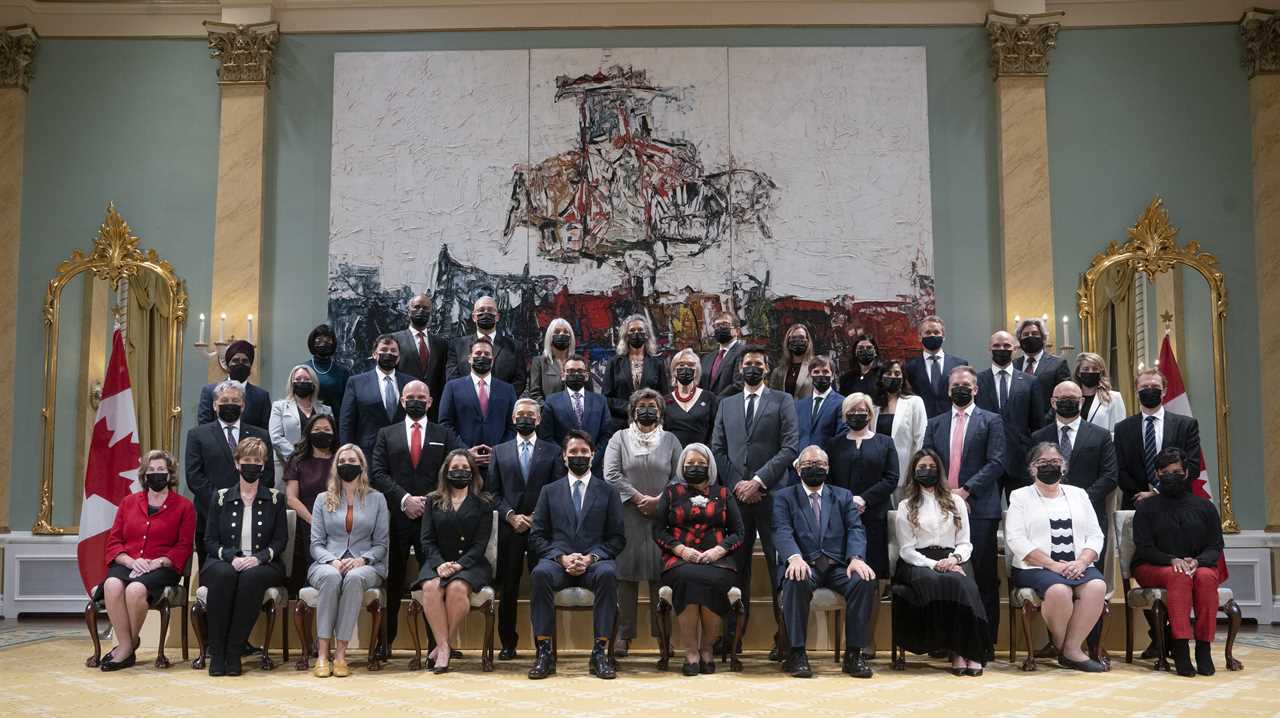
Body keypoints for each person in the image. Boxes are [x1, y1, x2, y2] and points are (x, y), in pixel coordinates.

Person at [710, 348, 799, 656]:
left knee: (780, 568)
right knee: (736, 569)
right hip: (736, 500)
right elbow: (717, 449)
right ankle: (733, 638)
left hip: (773, 496)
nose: (751, 368)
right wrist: (738, 485)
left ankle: (785, 639)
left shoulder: (782, 401)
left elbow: (790, 447)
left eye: (757, 364)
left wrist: (758, 481)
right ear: (739, 369)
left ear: (766, 367)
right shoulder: (726, 404)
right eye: (746, 364)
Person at [369, 380, 465, 656]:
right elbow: (378, 472)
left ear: (430, 401)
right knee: (394, 579)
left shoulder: (443, 433)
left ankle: (437, 645)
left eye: (421, 396)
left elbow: (452, 471)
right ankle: (384, 643)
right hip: (396, 518)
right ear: (401, 401)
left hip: (433, 519)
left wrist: (428, 501)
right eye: (410, 396)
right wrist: (405, 500)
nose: (415, 400)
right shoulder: (386, 434)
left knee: (433, 582)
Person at [527, 430, 627, 680]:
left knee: (608, 573)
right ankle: (544, 652)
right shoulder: (549, 491)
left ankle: (600, 652)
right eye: (573, 452)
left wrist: (591, 557)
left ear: (593, 455)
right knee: (539, 573)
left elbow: (617, 538)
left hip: (593, 564)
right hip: (557, 563)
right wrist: (560, 557)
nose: (578, 456)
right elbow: (537, 535)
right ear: (564, 456)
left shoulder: (608, 492)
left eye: (584, 452)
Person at [773, 445, 878, 678]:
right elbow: (781, 530)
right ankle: (797, 653)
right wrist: (794, 557)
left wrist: (856, 558)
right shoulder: (784, 497)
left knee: (864, 580)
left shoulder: (842, 496)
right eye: (808, 464)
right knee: (794, 579)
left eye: (820, 464)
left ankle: (853, 654)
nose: (814, 468)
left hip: (838, 566)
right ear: (798, 469)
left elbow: (855, 529)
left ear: (828, 468)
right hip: (804, 565)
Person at [922, 366, 1006, 653]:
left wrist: (966, 491)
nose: (961, 388)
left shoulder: (992, 421)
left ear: (976, 389)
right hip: (941, 508)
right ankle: (947, 641)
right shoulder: (935, 423)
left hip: (979, 507)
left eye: (966, 385)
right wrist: (947, 494)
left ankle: (984, 642)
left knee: (982, 576)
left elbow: (996, 462)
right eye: (955, 384)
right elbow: (927, 462)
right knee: (947, 575)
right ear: (948, 390)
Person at [1005, 442, 1108, 672]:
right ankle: (1065, 648)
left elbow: (1095, 534)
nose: (1050, 467)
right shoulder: (1020, 496)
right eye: (1043, 463)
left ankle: (1071, 649)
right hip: (1035, 567)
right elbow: (1016, 539)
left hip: (1077, 563)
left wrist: (1082, 561)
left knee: (1097, 587)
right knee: (1059, 591)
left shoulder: (1079, 494)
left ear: (1064, 467)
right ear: (1032, 469)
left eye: (1055, 462)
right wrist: (1053, 565)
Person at [96, 450, 196, 671]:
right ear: (144, 475)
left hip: (162, 567)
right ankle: (127, 645)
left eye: (161, 470)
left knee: (135, 590)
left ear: (170, 475)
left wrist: (159, 562)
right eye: (151, 470)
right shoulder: (128, 503)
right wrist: (131, 562)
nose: (156, 474)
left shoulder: (184, 506)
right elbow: (114, 542)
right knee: (112, 586)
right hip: (128, 564)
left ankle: (125, 647)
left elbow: (184, 546)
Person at [1132, 447, 1227, 677]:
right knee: (1179, 575)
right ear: (1157, 473)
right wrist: (1172, 560)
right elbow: (1144, 548)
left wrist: (1197, 562)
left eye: (1176, 471)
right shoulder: (1146, 507)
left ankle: (1204, 649)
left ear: (1186, 473)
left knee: (1205, 577)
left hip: (1196, 565)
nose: (1170, 475)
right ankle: (1181, 649)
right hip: (1152, 566)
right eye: (1165, 471)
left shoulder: (1205, 507)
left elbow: (1215, 546)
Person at [892, 449, 989, 676]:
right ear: (914, 473)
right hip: (917, 562)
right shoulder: (906, 505)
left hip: (952, 557)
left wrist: (953, 559)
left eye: (932, 467)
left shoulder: (956, 501)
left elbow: (965, 543)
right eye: (922, 468)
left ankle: (968, 652)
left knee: (964, 584)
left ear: (940, 471)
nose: (928, 471)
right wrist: (934, 564)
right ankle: (954, 648)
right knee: (937, 581)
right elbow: (906, 550)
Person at [652, 443, 744, 675]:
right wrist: (681, 550)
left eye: (700, 464)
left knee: (712, 581)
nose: (695, 467)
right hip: (679, 561)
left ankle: (706, 649)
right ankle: (691, 651)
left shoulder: (723, 493)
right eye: (690, 463)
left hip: (719, 561)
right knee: (688, 579)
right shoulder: (671, 493)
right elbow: (658, 530)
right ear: (682, 466)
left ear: (710, 466)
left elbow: (739, 532)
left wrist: (718, 551)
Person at [603, 389, 682, 656]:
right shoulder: (619, 438)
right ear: (632, 411)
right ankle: (623, 636)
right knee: (625, 576)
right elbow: (611, 474)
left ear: (660, 412)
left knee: (661, 576)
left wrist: (660, 501)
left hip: (663, 516)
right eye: (642, 406)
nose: (647, 410)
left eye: (652, 406)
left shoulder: (670, 440)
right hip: (627, 515)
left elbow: (680, 475)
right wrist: (638, 498)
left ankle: (663, 635)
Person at [200, 437, 288, 677]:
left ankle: (233, 651)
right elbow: (209, 541)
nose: (252, 465)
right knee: (224, 574)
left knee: (251, 578)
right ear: (237, 464)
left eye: (257, 461)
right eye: (247, 460)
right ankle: (217, 653)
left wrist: (258, 558)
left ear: (263, 465)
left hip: (263, 563)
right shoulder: (220, 497)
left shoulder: (276, 498)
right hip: (224, 561)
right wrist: (230, 557)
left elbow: (280, 541)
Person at [487, 399, 566, 660]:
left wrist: (534, 518)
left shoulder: (553, 451)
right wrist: (511, 516)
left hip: (541, 529)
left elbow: (557, 490)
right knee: (508, 588)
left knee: (541, 586)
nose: (525, 418)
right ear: (512, 418)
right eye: (520, 414)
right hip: (509, 528)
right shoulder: (499, 451)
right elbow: (492, 493)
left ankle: (542, 644)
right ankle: (508, 642)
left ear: (539, 419)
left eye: (530, 415)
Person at [307, 444, 390, 678]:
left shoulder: (378, 499)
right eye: (342, 461)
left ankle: (341, 654)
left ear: (362, 466)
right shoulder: (323, 499)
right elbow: (315, 544)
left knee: (353, 578)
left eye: (352, 461)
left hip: (367, 565)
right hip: (327, 563)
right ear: (336, 467)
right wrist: (331, 561)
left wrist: (363, 559)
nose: (347, 465)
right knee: (332, 577)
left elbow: (382, 544)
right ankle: (323, 654)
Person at [414, 449, 496, 673]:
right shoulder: (433, 500)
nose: (460, 473)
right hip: (437, 561)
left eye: (465, 469)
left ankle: (442, 646)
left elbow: (480, 545)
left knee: (457, 589)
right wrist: (440, 563)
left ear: (473, 472)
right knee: (430, 587)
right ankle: (444, 646)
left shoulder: (484, 502)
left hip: (471, 564)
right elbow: (427, 540)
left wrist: (459, 565)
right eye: (455, 469)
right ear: (446, 472)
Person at [823, 393, 898, 620]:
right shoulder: (834, 444)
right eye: (852, 411)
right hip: (840, 519)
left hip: (874, 517)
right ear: (845, 415)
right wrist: (849, 501)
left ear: (870, 414)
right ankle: (851, 638)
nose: (857, 415)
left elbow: (891, 478)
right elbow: (828, 480)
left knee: (870, 577)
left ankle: (868, 639)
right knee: (846, 575)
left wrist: (864, 499)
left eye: (862, 410)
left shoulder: (885, 442)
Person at [1031, 380, 1118, 564]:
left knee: (1090, 573)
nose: (1067, 402)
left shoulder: (1101, 435)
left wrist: (1081, 498)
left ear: (1082, 402)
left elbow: (1110, 476)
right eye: (1062, 398)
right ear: (1053, 402)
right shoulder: (1038, 437)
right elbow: (1032, 474)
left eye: (1072, 398)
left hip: (1090, 511)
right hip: (1047, 513)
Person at [185, 381, 274, 552]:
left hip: (253, 512)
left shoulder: (261, 435)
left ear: (243, 405)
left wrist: (246, 499)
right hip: (210, 513)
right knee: (212, 574)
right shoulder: (197, 435)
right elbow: (194, 476)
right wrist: (222, 500)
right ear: (214, 405)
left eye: (235, 400)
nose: (229, 404)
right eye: (224, 400)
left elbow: (268, 474)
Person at [1114, 367, 1202, 509]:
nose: (1150, 390)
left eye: (1155, 386)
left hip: (1178, 503)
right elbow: (1119, 469)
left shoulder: (1186, 425)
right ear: (1137, 392)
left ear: (1164, 391)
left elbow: (1192, 466)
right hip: (1136, 503)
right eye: (1144, 387)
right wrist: (1140, 494)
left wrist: (1157, 492)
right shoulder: (1122, 428)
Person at [975, 330, 1046, 497]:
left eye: (1006, 345)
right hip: (986, 459)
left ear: (1015, 349)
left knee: (1022, 514)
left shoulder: (1030, 382)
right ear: (989, 349)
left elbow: (1038, 424)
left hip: (1021, 459)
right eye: (997, 345)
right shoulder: (977, 381)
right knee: (988, 516)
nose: (1002, 349)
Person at [439, 336, 517, 468]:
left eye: (487, 354)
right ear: (469, 358)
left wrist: (499, 452)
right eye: (478, 353)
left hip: (498, 463)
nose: (482, 356)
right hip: (463, 462)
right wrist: (465, 451)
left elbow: (513, 425)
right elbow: (445, 424)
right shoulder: (452, 387)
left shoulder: (507, 389)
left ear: (492, 361)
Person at [284, 414, 338, 593]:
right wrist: (314, 521)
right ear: (308, 432)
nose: (321, 433)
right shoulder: (297, 460)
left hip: (337, 520)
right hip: (306, 520)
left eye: (326, 430)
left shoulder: (340, 460)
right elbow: (291, 498)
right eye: (316, 430)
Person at [339, 334, 413, 460]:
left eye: (393, 351)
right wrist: (346, 453)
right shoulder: (356, 383)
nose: (388, 353)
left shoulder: (410, 383)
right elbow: (347, 422)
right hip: (367, 453)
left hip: (403, 453)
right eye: (384, 350)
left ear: (399, 357)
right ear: (374, 354)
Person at [541, 354, 614, 472]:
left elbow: (606, 435)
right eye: (570, 371)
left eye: (580, 371)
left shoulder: (600, 401)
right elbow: (546, 436)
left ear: (586, 376)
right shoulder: (551, 401)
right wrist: (566, 458)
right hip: (562, 469)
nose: (575, 374)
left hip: (593, 469)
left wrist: (592, 459)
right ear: (563, 375)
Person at [445, 295, 526, 396]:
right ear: (474, 317)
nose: (486, 313)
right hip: (466, 405)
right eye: (481, 310)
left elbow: (519, 381)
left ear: (497, 317)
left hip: (502, 406)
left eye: (490, 310)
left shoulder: (515, 347)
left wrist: (499, 400)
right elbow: (452, 379)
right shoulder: (457, 346)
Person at [269, 364, 333, 489]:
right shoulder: (279, 407)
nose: (302, 382)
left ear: (313, 383)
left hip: (318, 466)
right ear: (291, 383)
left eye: (306, 379)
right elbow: (275, 437)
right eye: (298, 379)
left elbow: (332, 437)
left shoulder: (325, 410)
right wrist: (298, 456)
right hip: (286, 464)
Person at [874, 360, 928, 501]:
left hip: (905, 474)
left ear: (903, 378)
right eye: (888, 373)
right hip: (877, 475)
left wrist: (915, 472)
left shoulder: (914, 402)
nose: (893, 376)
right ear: (881, 378)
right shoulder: (874, 407)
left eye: (897, 373)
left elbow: (921, 439)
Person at [601, 314, 669, 425]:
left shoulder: (657, 363)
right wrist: (631, 408)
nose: (636, 333)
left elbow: (664, 396)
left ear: (647, 334)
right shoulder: (614, 362)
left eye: (640, 330)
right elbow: (606, 398)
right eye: (632, 330)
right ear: (626, 336)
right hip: (621, 423)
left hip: (650, 423)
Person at [392, 293, 448, 419]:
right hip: (402, 410)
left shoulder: (441, 344)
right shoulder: (394, 340)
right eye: (417, 307)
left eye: (425, 308)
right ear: (408, 311)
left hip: (433, 412)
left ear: (431, 312)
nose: (421, 310)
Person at [904, 316, 969, 418]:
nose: (932, 335)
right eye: (928, 332)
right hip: (922, 422)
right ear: (920, 337)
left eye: (936, 332)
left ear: (943, 336)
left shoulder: (960, 365)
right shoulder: (910, 367)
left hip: (953, 421)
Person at [197, 340, 272, 428]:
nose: (240, 364)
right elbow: (204, 425)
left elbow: (265, 429)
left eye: (245, 361)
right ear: (228, 365)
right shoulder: (210, 391)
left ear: (250, 366)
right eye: (235, 360)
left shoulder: (261, 396)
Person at [1013, 318, 1072, 419]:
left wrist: (1047, 420)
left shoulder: (1058, 364)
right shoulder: (1013, 365)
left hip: (1047, 426)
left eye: (1035, 334)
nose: (1030, 337)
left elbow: (1065, 396)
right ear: (1020, 340)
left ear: (1043, 338)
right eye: (1026, 335)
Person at [664, 348, 719, 449]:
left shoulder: (709, 398)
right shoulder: (664, 401)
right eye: (681, 365)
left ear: (697, 370)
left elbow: (716, 431)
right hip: (673, 456)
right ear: (674, 371)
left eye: (690, 365)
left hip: (702, 457)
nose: (685, 368)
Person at [306, 325, 353, 427]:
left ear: (333, 343)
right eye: (319, 339)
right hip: (308, 424)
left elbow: (348, 403)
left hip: (335, 424)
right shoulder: (304, 370)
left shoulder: (343, 372)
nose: (323, 343)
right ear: (312, 342)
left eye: (328, 340)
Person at [796, 356, 846, 452]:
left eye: (825, 372)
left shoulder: (842, 403)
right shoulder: (798, 405)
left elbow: (842, 437)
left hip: (828, 463)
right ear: (810, 375)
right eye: (816, 372)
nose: (821, 375)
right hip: (800, 462)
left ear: (832, 376)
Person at [527, 318, 577, 404]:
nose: (562, 334)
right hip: (548, 414)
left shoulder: (580, 362)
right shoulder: (539, 362)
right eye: (557, 332)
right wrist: (550, 412)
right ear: (550, 337)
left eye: (566, 332)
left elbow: (589, 394)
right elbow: (535, 395)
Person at [1074, 352, 1126, 433]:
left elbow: (1119, 431)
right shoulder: (1072, 398)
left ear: (1100, 373)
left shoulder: (1114, 397)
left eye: (1095, 369)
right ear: (1078, 373)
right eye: (1086, 369)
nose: (1090, 372)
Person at [700, 311, 745, 396]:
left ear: (737, 331)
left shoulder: (743, 353)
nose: (720, 328)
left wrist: (716, 401)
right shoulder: (707, 358)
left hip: (729, 405)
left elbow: (739, 385)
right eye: (716, 326)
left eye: (725, 324)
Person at [770, 322, 819, 399]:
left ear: (808, 341)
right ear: (788, 341)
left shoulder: (816, 368)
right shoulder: (778, 372)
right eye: (793, 338)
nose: (797, 341)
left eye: (801, 337)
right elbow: (772, 399)